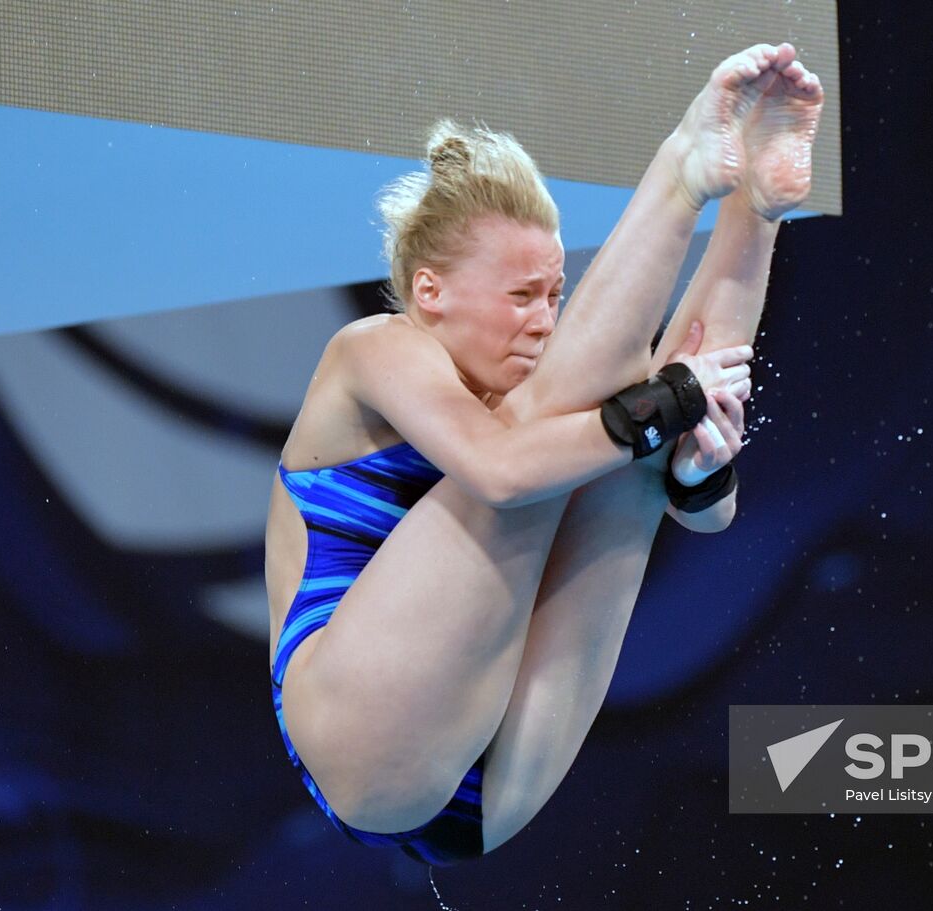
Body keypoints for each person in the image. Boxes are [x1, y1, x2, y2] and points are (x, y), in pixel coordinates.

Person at [264, 42, 824, 866]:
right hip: (356, 738)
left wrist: (699, 470)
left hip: (485, 800)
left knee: (628, 448)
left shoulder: (546, 390)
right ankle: (682, 169)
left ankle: (757, 210)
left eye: (555, 293)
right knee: (589, 424)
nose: (543, 317)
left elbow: (711, 517)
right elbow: (499, 471)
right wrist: (663, 403)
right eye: (521, 294)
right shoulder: (374, 350)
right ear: (431, 291)